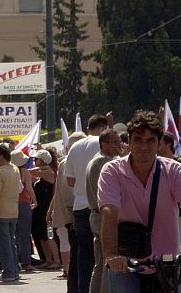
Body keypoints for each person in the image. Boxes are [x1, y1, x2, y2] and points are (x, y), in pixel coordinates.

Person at [99, 110, 181, 293]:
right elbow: (109, 212)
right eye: (138, 140)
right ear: (129, 142)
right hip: (126, 261)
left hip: (167, 262)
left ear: (159, 144)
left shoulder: (175, 171)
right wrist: (111, 255)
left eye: (151, 141)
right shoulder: (112, 171)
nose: (144, 146)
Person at [65, 114, 109, 293]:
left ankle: (83, 289)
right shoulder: (104, 145)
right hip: (100, 207)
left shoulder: (75, 146)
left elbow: (69, 180)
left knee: (83, 254)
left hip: (80, 206)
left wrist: (83, 184)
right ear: (104, 127)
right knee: (103, 255)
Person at [86, 128, 122, 293]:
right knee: (110, 261)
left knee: (100, 263)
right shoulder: (103, 162)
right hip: (104, 216)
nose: (119, 145)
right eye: (115, 142)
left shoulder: (98, 160)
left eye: (119, 141)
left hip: (97, 215)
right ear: (104, 144)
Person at [48, 131, 85, 290]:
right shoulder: (67, 161)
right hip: (73, 215)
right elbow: (67, 189)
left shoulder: (68, 161)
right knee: (76, 253)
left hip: (72, 213)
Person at [0, 143, 22, 283]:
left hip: (0, 213)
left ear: (1, 156)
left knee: (4, 244)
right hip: (13, 212)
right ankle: (14, 270)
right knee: (11, 243)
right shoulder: (14, 169)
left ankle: (8, 272)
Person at [10, 149, 37, 272]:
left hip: (10, 203)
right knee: (25, 234)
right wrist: (35, 201)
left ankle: (14, 261)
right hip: (24, 203)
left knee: (12, 234)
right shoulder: (25, 172)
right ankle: (26, 262)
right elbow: (29, 189)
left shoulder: (9, 171)